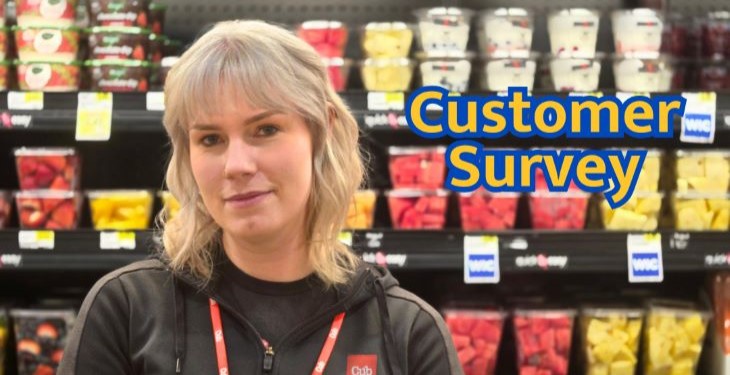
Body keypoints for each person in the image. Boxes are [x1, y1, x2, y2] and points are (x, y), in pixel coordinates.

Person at [58, 20, 463, 375]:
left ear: (322, 131)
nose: (236, 164)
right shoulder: (126, 310)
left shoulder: (407, 333)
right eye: (210, 139)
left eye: (265, 129)